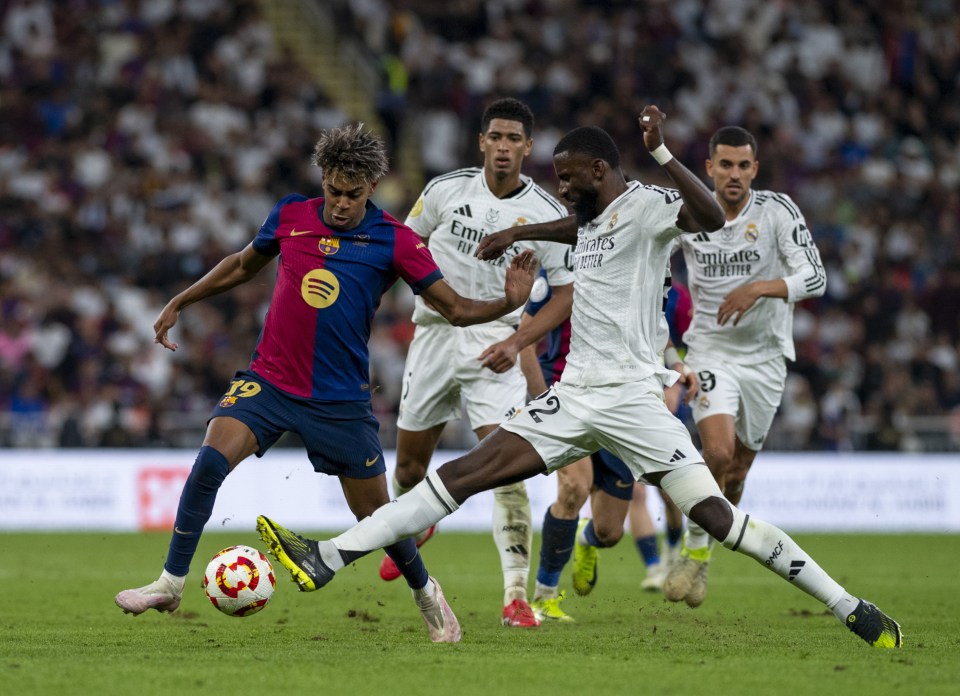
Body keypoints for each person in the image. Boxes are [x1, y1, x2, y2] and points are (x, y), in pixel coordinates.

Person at [256, 108, 902, 649]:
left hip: (630, 399)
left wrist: (666, 154)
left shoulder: (649, 204)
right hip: (572, 398)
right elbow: (581, 226)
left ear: (599, 171)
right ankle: (327, 558)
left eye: (567, 179)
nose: (559, 188)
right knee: (461, 476)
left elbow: (711, 220)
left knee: (718, 517)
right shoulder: (592, 216)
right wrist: (524, 229)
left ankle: (849, 606)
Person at [113, 123, 538, 644]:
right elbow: (244, 265)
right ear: (323, 179)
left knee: (379, 516)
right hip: (269, 382)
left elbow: (452, 308)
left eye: (352, 195)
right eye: (333, 191)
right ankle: (170, 583)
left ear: (372, 189)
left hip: (338, 401)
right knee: (207, 464)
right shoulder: (290, 213)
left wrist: (506, 304)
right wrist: (182, 299)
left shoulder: (394, 240)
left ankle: (428, 594)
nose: (340, 204)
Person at [380, 97, 574, 628]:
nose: (505, 147)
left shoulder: (548, 214)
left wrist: (519, 341)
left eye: (516, 139)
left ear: (528, 148)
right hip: (436, 334)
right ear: (482, 142)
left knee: (505, 470)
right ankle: (416, 527)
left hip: (497, 342)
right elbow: (404, 245)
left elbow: (565, 294)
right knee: (409, 468)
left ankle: (516, 597)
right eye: (497, 137)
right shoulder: (445, 190)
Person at [662, 126, 828, 609]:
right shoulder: (689, 213)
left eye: (743, 166)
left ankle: (704, 553)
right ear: (709, 167)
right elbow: (654, 264)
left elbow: (815, 276)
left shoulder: (777, 211)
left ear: (754, 169)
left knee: (736, 472)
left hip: (766, 359)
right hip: (711, 351)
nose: (734, 174)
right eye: (725, 165)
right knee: (715, 452)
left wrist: (758, 288)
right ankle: (693, 552)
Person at [523, 268, 697, 623]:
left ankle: (587, 540)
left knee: (610, 531)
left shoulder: (635, 264)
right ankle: (544, 597)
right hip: (565, 394)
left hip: (621, 401)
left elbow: (656, 334)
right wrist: (542, 398)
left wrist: (676, 366)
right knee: (574, 487)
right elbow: (524, 337)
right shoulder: (559, 266)